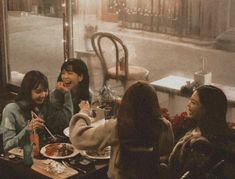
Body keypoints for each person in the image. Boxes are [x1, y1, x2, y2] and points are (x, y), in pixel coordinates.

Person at [69, 81, 174, 179]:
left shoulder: (117, 127)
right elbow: (165, 150)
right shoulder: (165, 126)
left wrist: (83, 112)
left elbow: (78, 138)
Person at [168, 85, 235, 178]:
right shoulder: (193, 129)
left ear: (206, 109)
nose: (188, 104)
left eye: (193, 102)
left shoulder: (203, 145)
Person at [0, 70, 73, 152]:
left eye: (45, 90)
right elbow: (7, 146)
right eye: (38, 91)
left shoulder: (44, 106)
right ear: (27, 91)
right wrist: (28, 130)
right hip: (21, 159)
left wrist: (67, 94)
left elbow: (65, 123)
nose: (43, 95)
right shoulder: (11, 110)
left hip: (41, 155)